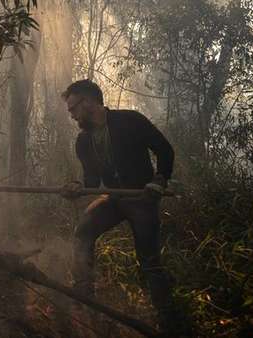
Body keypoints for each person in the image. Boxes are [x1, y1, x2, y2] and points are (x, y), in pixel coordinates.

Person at [59, 79, 192, 335]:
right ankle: (85, 297)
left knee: (148, 260)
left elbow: (165, 150)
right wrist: (76, 188)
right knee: (84, 231)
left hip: (142, 199)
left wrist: (159, 180)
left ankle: (169, 319)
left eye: (74, 108)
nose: (72, 115)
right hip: (114, 200)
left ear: (88, 102)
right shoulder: (83, 142)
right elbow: (91, 181)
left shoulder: (130, 120)